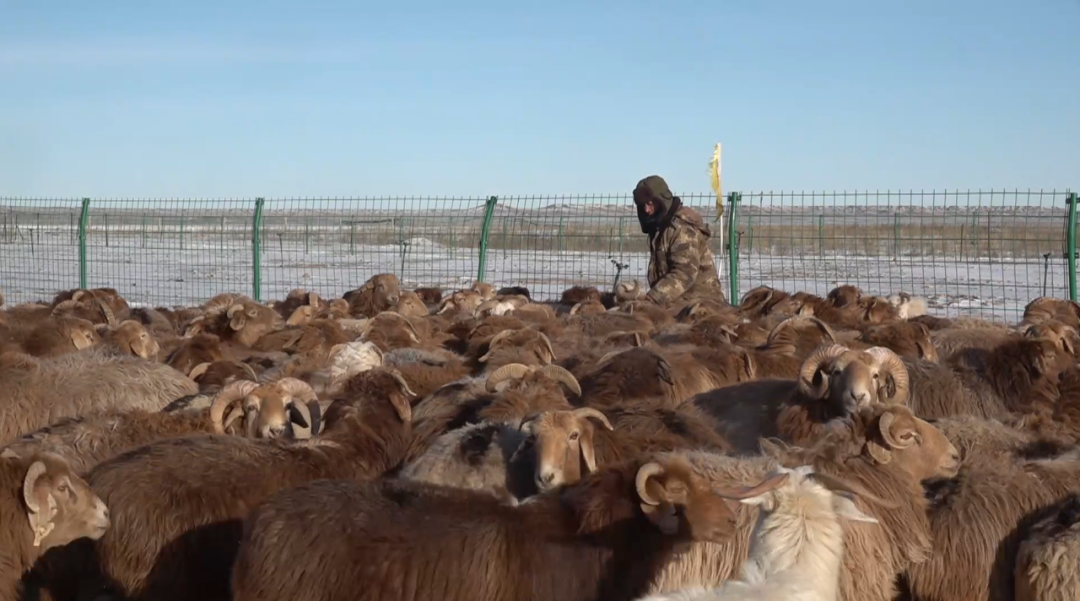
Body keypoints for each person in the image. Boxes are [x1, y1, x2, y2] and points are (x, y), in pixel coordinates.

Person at [632, 174, 727, 306]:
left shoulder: (681, 229)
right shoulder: (660, 229)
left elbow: (684, 273)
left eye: (650, 203)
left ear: (662, 199)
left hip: (701, 305)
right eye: (642, 206)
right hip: (678, 302)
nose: (646, 210)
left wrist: (653, 298)